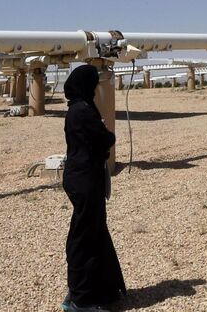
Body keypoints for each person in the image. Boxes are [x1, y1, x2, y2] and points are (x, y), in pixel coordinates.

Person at [61, 64, 127, 312]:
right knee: (85, 236)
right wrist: (108, 137)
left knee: (91, 232)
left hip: (82, 177)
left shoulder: (77, 108)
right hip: (85, 179)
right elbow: (105, 138)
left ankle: (92, 291)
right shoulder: (83, 111)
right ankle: (81, 300)